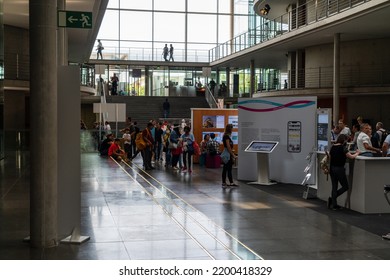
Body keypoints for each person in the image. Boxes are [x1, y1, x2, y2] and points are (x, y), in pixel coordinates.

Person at [328, 134, 360, 210]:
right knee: (345, 186)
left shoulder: (332, 147)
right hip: (339, 169)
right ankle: (332, 199)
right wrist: (357, 153)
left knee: (334, 186)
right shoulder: (343, 148)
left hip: (332, 168)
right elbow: (351, 157)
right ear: (344, 140)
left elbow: (330, 157)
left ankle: (334, 204)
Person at [221, 124, 237, 188]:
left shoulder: (227, 136)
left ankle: (229, 182)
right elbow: (228, 146)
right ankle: (226, 182)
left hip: (228, 154)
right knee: (226, 168)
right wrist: (233, 155)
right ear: (230, 129)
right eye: (232, 128)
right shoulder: (226, 137)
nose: (232, 130)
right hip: (227, 154)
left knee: (228, 168)